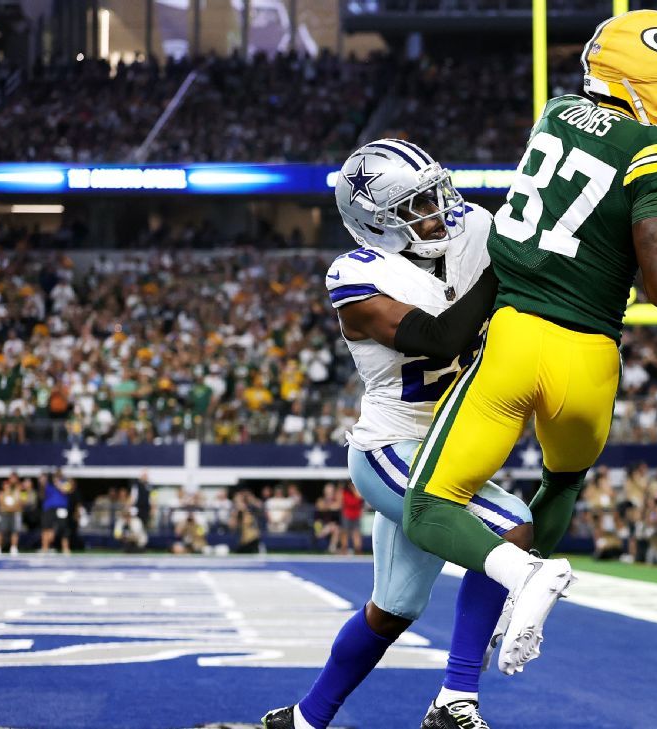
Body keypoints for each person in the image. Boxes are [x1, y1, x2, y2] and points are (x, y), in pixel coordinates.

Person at [400, 8, 657, 676]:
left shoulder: (555, 113)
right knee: (560, 483)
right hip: (592, 362)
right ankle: (523, 588)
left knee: (428, 507)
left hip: (517, 337)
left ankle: (525, 575)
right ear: (654, 88)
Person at [263, 139, 535, 729]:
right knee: (511, 527)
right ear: (375, 221)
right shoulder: (357, 275)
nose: (437, 212)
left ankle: (304, 719)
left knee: (392, 610)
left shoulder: (471, 228)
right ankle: (455, 700)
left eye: (435, 195)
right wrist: (504, 270)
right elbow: (439, 340)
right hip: (393, 448)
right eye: (416, 206)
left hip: (450, 445)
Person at [39, 470, 73, 555]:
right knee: (46, 528)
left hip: (61, 508)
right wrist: (43, 480)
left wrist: (58, 483)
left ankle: (66, 549)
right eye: (55, 476)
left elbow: (66, 490)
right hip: (49, 509)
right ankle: (45, 548)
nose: (56, 477)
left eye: (58, 475)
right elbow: (42, 493)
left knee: (64, 528)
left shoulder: (66, 483)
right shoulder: (49, 485)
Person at [0, 473, 23, 556]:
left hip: (15, 512)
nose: (13, 480)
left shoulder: (20, 488)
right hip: (4, 512)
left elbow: (22, 500)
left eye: (14, 478)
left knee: (15, 531)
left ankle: (14, 548)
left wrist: (15, 506)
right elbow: (0, 499)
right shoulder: (5, 486)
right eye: (11, 478)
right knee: (1, 530)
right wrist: (7, 506)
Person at [338, 482, 364, 556]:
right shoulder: (344, 492)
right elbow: (342, 502)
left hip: (356, 515)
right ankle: (344, 549)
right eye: (351, 485)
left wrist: (354, 490)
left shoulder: (358, 491)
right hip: (347, 515)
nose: (352, 486)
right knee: (345, 533)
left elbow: (360, 498)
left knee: (356, 533)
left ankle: (358, 550)